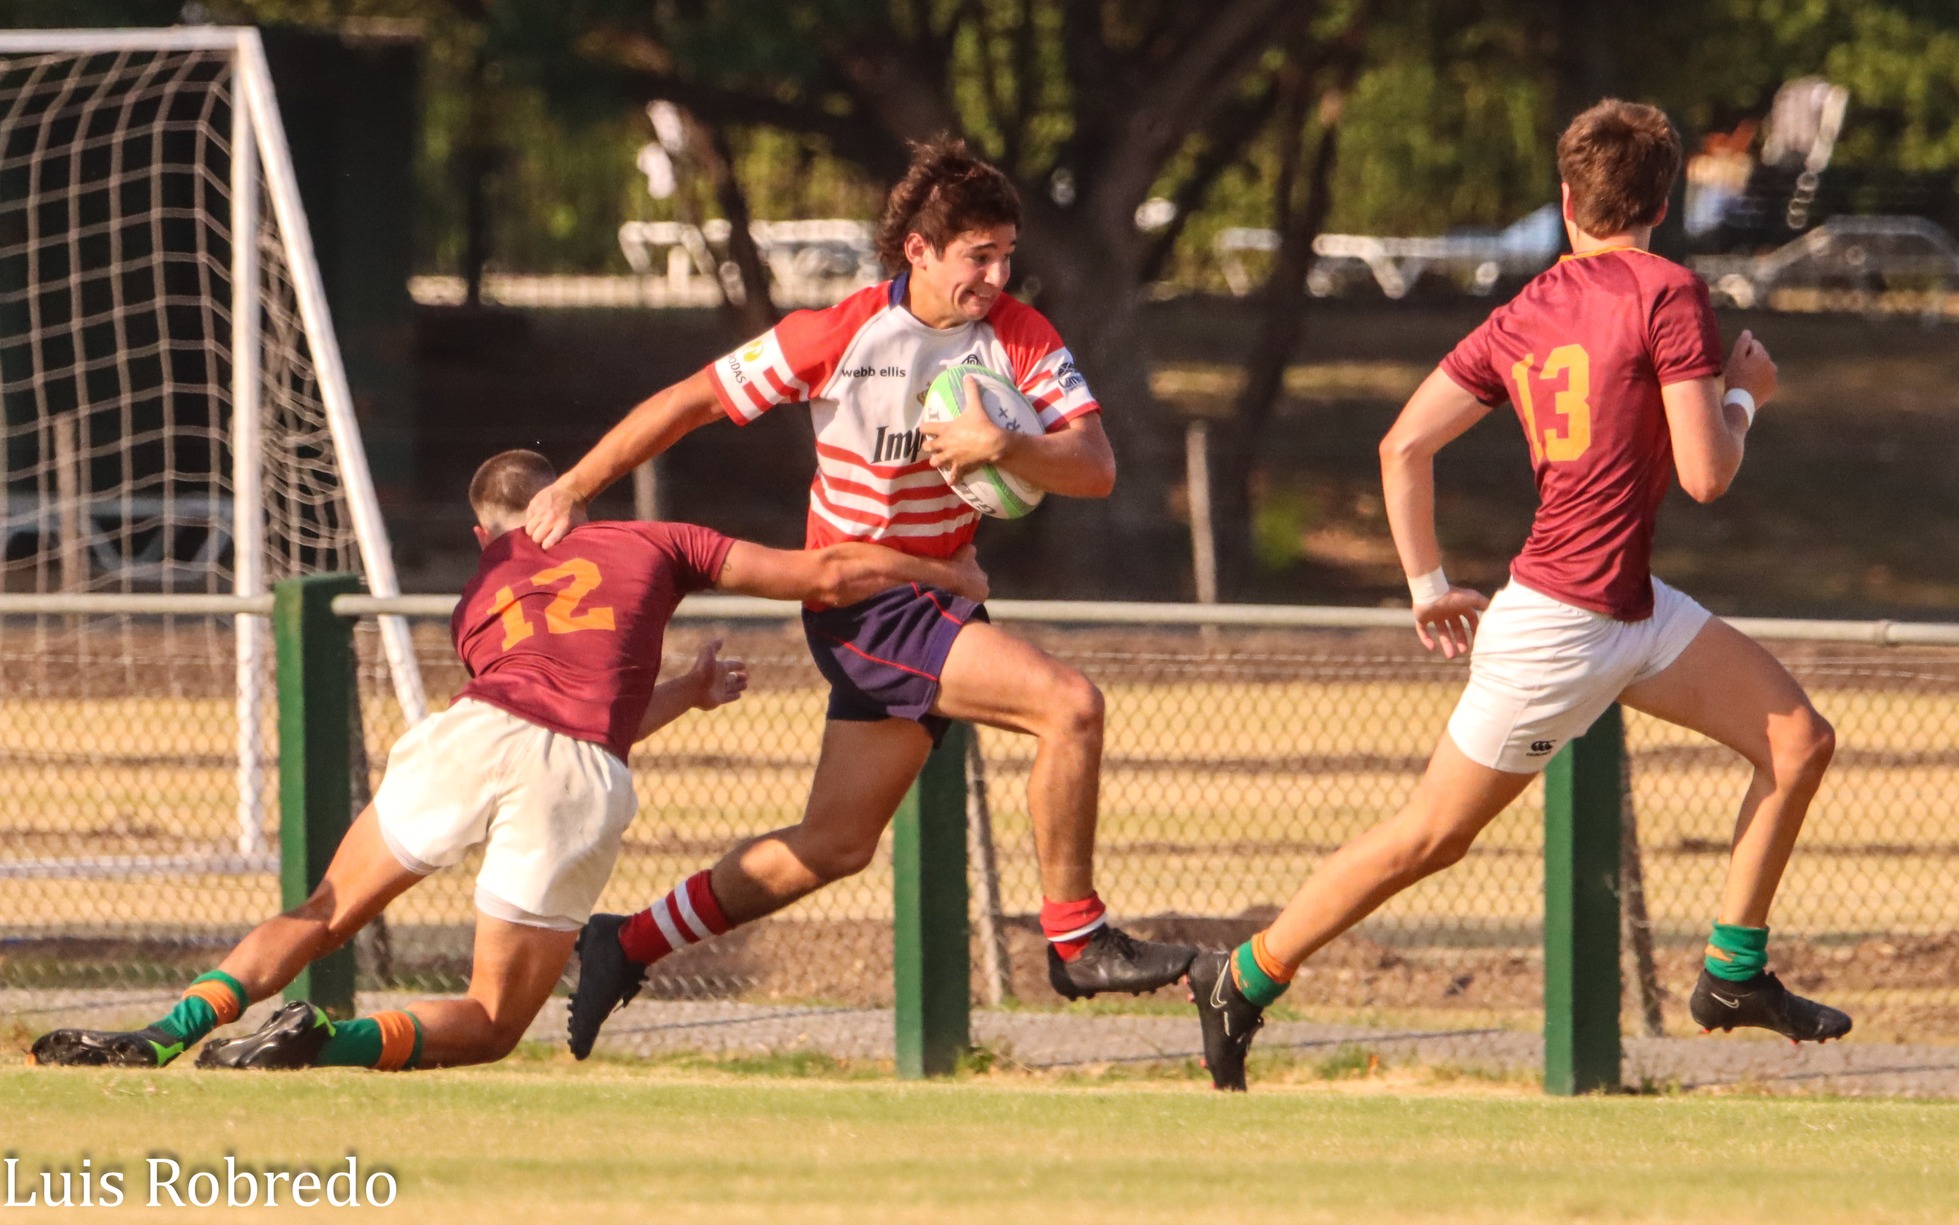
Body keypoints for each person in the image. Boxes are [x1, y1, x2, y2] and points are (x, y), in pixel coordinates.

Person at [1188, 100, 1851, 1091]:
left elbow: (1401, 445)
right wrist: (1744, 390)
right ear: (1660, 202)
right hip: (1563, 625)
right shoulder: (1668, 292)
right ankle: (1242, 974)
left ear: (1564, 202)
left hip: (1623, 606)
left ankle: (1730, 975)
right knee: (1430, 835)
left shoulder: (1524, 310)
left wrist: (1424, 584)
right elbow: (1706, 473)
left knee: (1796, 739)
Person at [523, 136, 1193, 1061]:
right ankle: (1076, 938)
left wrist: (1006, 447)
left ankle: (624, 939)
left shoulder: (1021, 336)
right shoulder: (836, 335)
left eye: (1008, 255)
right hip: (864, 606)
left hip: (937, 602)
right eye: (979, 257)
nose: (998, 275)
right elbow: (688, 401)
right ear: (918, 248)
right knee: (1070, 706)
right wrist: (574, 486)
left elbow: (1096, 468)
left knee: (834, 844)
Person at [29, 449, 986, 1071]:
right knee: (491, 1023)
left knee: (321, 911)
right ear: (571, 497)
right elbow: (817, 575)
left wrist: (682, 693)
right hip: (576, 774)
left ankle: (170, 1030)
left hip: (474, 729)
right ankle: (327, 1040)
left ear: (485, 533)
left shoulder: (481, 588)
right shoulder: (654, 540)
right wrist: (945, 573)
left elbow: (545, 699)